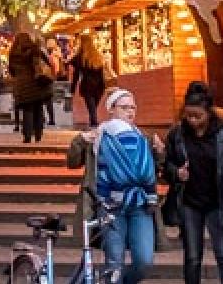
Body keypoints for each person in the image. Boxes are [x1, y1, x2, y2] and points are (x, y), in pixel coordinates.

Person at [162, 81, 223, 284]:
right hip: (190, 203)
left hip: (220, 203)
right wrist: (176, 173)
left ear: (209, 112)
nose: (192, 120)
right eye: (188, 115)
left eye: (197, 116)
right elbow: (166, 165)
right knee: (192, 258)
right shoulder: (177, 135)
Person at [67, 89, 157, 284]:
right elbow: (72, 161)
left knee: (144, 261)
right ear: (111, 109)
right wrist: (80, 141)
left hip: (140, 205)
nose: (130, 112)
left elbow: (155, 171)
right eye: (125, 107)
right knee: (114, 262)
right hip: (109, 206)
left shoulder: (143, 138)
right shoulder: (98, 136)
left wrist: (161, 153)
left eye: (133, 107)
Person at [8, 32, 51, 144]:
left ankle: (27, 136)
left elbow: (11, 70)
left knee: (27, 110)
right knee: (38, 108)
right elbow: (46, 63)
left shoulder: (13, 53)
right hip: (36, 83)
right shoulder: (35, 49)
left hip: (22, 85)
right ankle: (38, 134)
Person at [69, 33, 112, 127]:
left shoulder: (80, 57)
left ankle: (93, 124)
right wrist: (103, 85)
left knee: (91, 107)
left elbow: (76, 75)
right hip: (99, 85)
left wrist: (72, 89)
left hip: (87, 85)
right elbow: (101, 73)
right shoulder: (97, 55)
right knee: (93, 107)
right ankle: (93, 122)